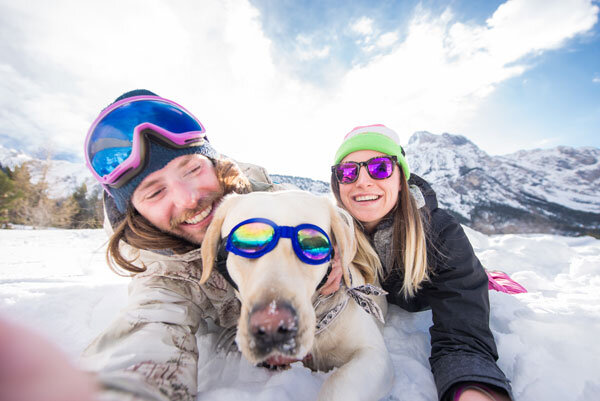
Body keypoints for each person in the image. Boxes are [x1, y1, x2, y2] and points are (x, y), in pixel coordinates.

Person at [328, 124, 514, 401]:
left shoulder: (441, 234)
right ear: (337, 184)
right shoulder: (326, 235)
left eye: (380, 168)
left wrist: (474, 390)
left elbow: (463, 334)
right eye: (348, 171)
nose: (362, 181)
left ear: (401, 179)